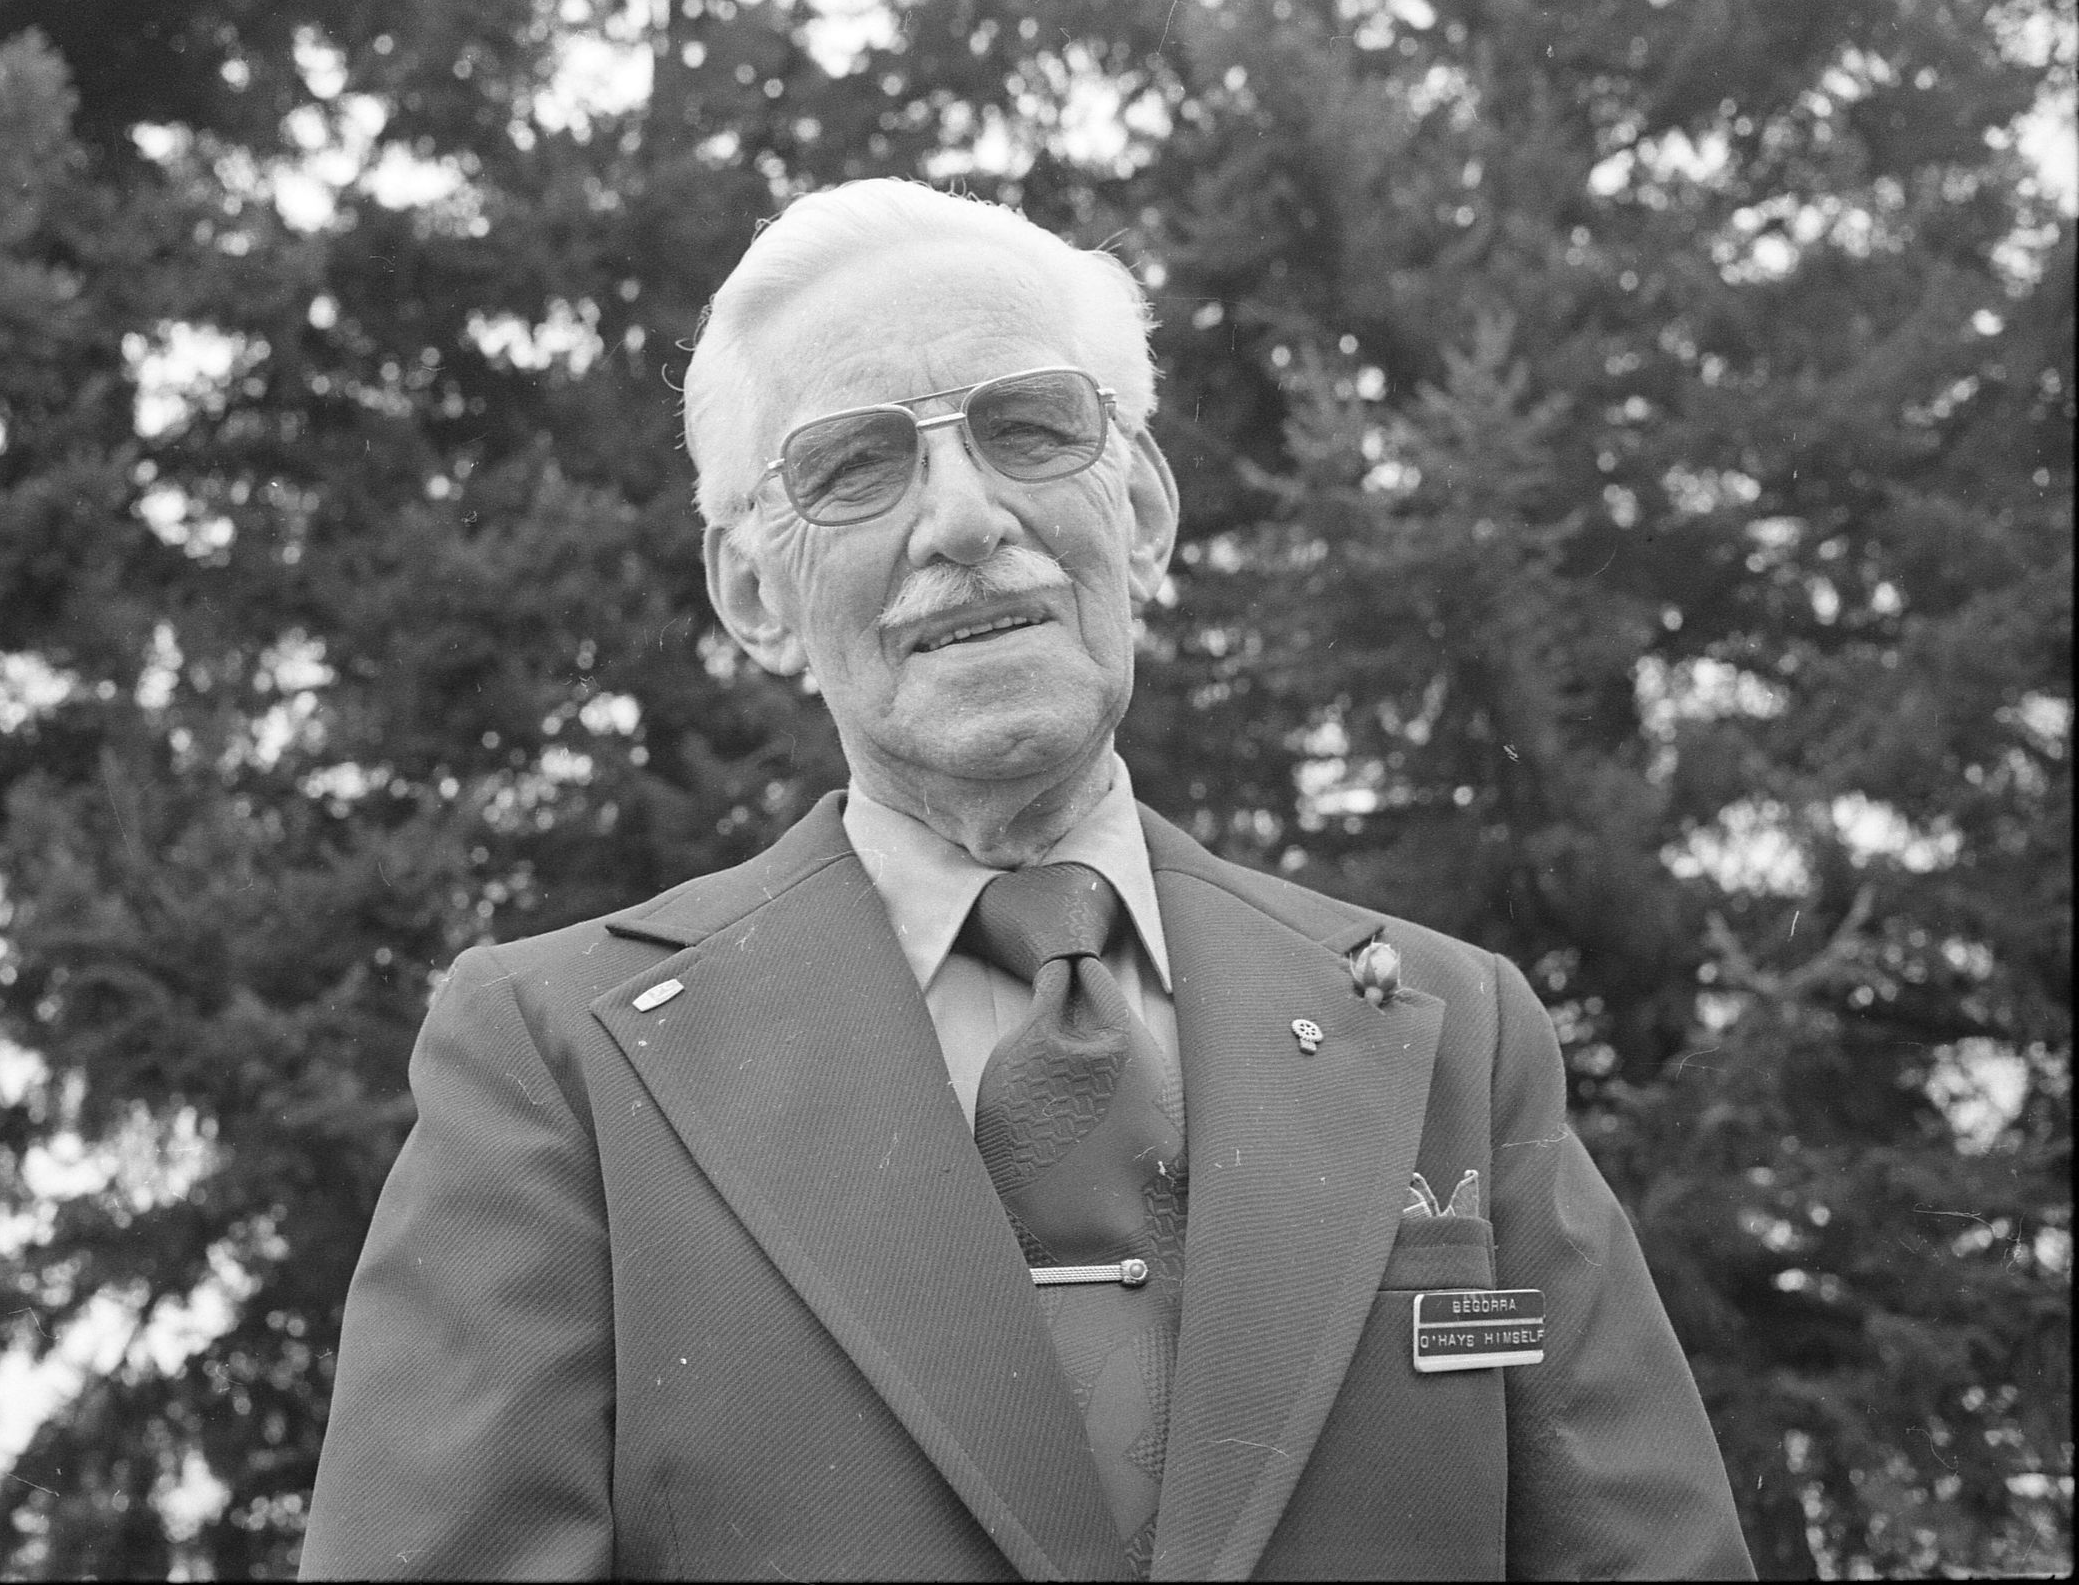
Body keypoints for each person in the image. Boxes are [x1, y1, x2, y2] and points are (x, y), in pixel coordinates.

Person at [299, 178, 1755, 1581]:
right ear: (752, 593)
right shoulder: (559, 1063)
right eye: (856, 467)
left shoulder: (1455, 1034)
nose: (963, 520)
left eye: (1030, 428)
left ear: (1145, 512)